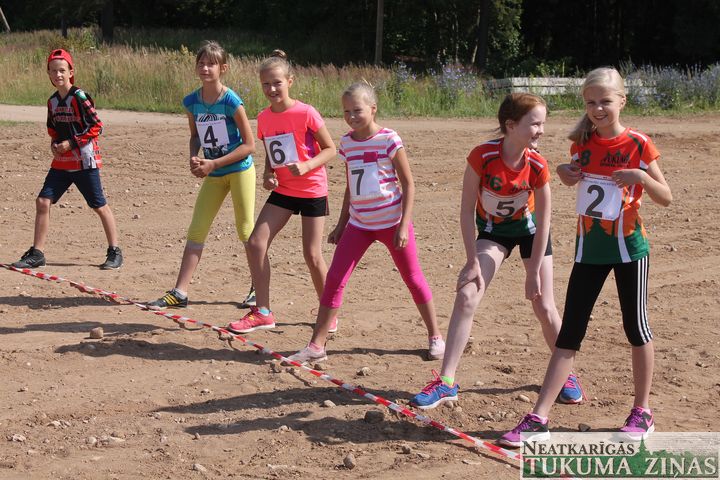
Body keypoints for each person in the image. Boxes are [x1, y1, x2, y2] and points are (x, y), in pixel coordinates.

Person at [499, 67, 672, 447]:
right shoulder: (582, 143)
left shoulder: (639, 144)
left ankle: (642, 412)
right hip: (588, 251)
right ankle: (539, 417)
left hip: (629, 250)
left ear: (622, 100)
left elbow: (666, 196)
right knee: (570, 332)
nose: (598, 108)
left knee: (636, 328)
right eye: (591, 102)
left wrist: (641, 178)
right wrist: (565, 172)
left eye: (605, 101)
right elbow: (569, 177)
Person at [410, 93, 583, 410]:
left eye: (543, 123)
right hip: (494, 233)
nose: (541, 130)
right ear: (511, 125)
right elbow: (466, 211)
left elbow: (544, 221)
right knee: (467, 295)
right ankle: (446, 382)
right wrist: (472, 261)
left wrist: (533, 272)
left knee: (544, 305)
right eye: (535, 124)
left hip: (531, 234)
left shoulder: (537, 164)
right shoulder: (482, 156)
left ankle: (567, 375)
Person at [284, 82, 445, 364]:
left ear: (373, 109)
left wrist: (403, 225)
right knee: (335, 280)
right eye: (346, 111)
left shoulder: (389, 139)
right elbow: (351, 187)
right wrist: (341, 224)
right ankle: (317, 345)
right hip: (359, 225)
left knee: (413, 278)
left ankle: (435, 335)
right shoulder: (346, 143)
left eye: (357, 110)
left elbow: (408, 184)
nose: (351, 116)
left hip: (392, 223)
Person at [226, 50, 336, 333]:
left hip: (312, 190)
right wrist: (268, 174)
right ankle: (262, 312)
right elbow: (271, 152)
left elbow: (330, 149)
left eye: (277, 83)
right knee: (255, 243)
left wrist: (307, 165)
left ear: (290, 81)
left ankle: (329, 313)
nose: (272, 89)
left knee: (312, 255)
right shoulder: (264, 118)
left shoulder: (306, 112)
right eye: (266, 84)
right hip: (284, 190)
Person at [147, 41, 256, 309]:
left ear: (223, 68)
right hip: (213, 172)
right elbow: (195, 136)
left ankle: (257, 289)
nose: (205, 68)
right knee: (197, 229)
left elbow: (249, 145)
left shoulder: (231, 101)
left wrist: (214, 164)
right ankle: (180, 292)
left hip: (239, 170)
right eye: (201, 64)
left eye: (211, 64)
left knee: (246, 229)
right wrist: (193, 157)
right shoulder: (191, 102)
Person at [11, 49, 123, 271]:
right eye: (53, 71)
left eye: (62, 70)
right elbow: (53, 129)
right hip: (62, 163)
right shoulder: (52, 101)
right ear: (48, 74)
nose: (58, 74)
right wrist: (54, 144)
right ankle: (37, 253)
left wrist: (71, 143)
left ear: (71, 72)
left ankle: (115, 251)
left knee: (99, 205)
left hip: (84, 161)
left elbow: (96, 126)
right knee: (43, 201)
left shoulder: (79, 97)